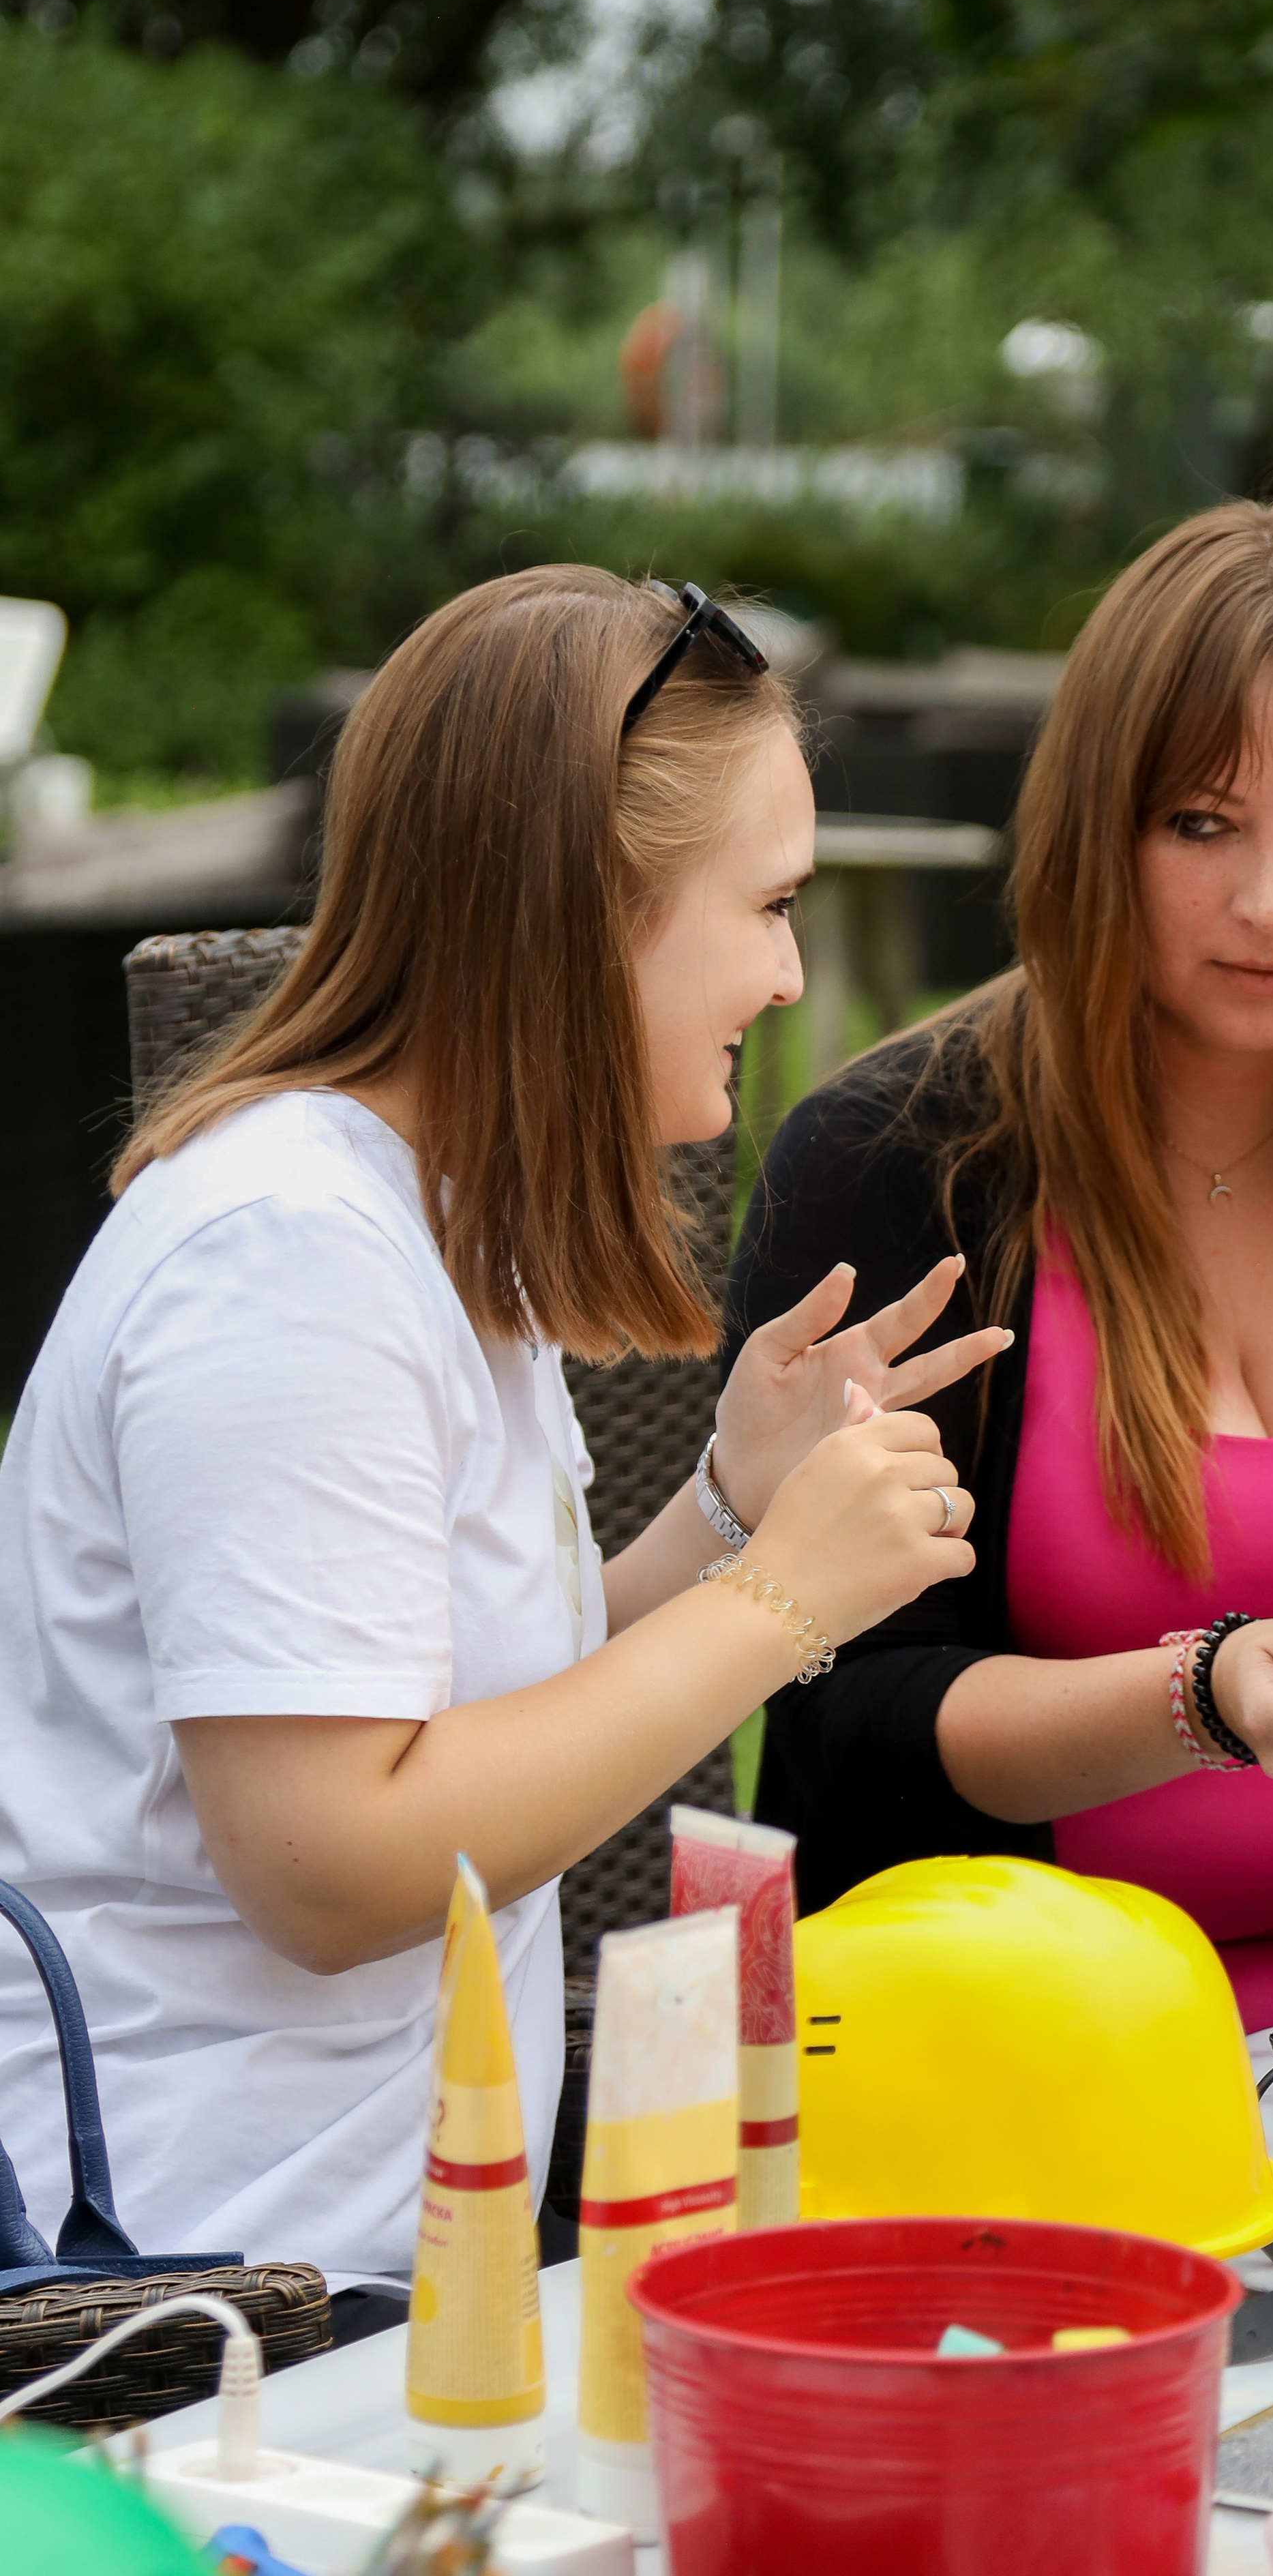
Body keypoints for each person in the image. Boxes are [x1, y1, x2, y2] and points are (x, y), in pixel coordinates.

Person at [0, 567, 1004, 2321]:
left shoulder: (428, 1218)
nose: (784, 974)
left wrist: (717, 1513)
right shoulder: (287, 1263)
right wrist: (775, 1602)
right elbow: (336, 1866)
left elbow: (445, 1720)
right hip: (185, 2298)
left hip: (356, 2254)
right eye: (765, 907)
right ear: (580, 913)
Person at [727, 498, 1273, 2031]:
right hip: (1021, 2065)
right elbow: (835, 1701)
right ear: (1096, 823)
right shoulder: (898, 1163)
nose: (1271, 906)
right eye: (1201, 823)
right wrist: (1194, 1701)